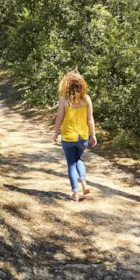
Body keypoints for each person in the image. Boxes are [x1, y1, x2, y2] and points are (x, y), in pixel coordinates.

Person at [51, 71, 97, 201]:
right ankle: (84, 182)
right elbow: (90, 119)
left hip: (68, 137)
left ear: (66, 85)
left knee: (71, 163)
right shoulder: (86, 99)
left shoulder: (64, 100)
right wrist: (92, 135)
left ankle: (75, 193)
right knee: (78, 159)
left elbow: (59, 117)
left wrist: (55, 132)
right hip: (82, 137)